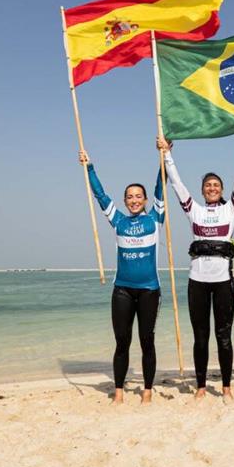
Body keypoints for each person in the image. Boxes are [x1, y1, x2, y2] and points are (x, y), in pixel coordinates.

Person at [157, 128, 234, 402]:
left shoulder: (231, 209)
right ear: (202, 191)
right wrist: (167, 155)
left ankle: (226, 386)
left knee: (223, 336)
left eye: (216, 185)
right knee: (201, 337)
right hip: (197, 281)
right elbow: (177, 184)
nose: (212, 188)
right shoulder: (194, 210)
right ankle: (201, 386)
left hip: (223, 281)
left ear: (222, 190)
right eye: (208, 186)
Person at [79, 149, 164, 405]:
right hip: (123, 290)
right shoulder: (118, 221)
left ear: (146, 199)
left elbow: (162, 186)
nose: (134, 200)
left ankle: (147, 390)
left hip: (150, 289)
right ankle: (118, 391)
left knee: (147, 341)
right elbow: (100, 196)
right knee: (122, 341)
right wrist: (89, 167)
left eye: (139, 196)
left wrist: (163, 158)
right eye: (130, 197)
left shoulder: (155, 218)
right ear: (125, 201)